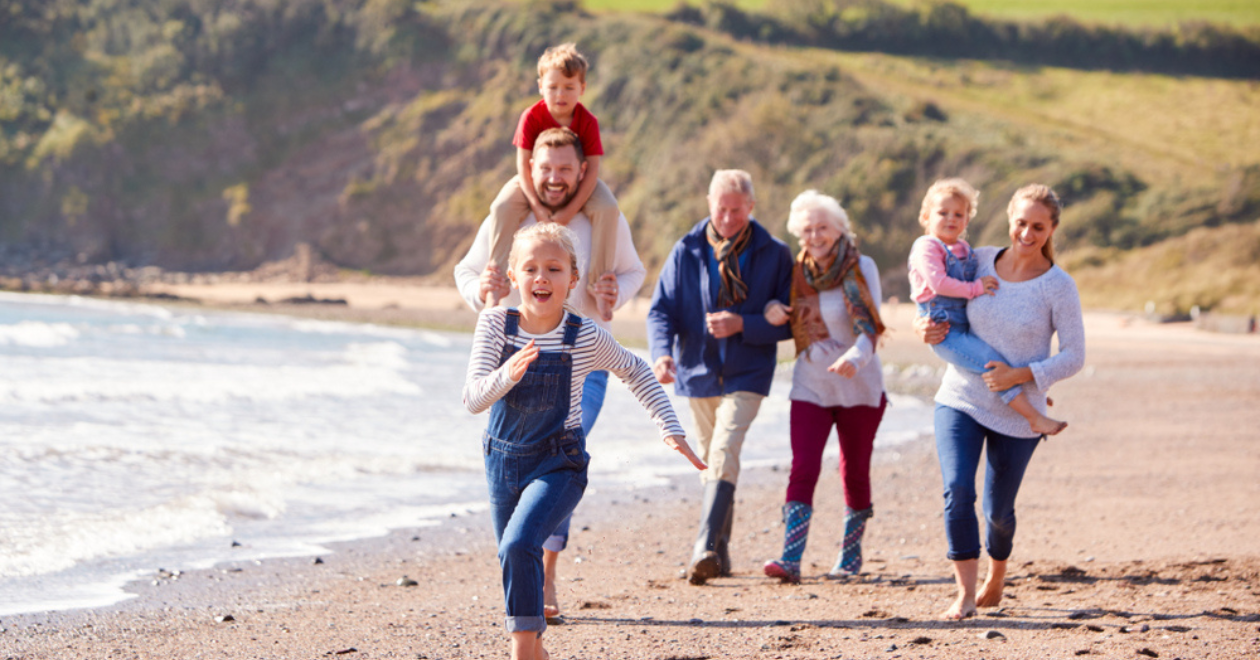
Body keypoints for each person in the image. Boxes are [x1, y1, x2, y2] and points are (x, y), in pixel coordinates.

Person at [463, 222, 706, 660]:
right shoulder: (496, 325)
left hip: (560, 464)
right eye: (531, 268)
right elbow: (473, 399)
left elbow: (635, 369)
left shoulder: (584, 334)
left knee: (520, 544)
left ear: (572, 280)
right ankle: (534, 648)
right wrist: (508, 373)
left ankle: (519, 652)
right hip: (502, 463)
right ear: (514, 276)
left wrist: (670, 429)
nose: (542, 278)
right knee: (514, 557)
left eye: (554, 269)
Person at [454, 126, 647, 620]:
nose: (555, 178)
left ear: (582, 171)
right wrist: (484, 291)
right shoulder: (512, 214)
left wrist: (613, 294)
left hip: (584, 360)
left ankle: (547, 573)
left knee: (559, 453)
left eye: (565, 169)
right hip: (518, 364)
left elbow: (632, 271)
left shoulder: (600, 218)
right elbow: (469, 270)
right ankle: (526, 571)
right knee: (525, 464)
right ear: (530, 169)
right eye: (546, 169)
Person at [913, 184, 1086, 620]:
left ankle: (997, 572)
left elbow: (1074, 355)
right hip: (960, 399)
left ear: (1051, 230)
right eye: (1021, 222)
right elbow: (940, 300)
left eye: (1038, 226)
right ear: (1009, 219)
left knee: (998, 513)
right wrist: (924, 328)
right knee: (956, 491)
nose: (1027, 233)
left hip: (1018, 413)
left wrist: (1024, 375)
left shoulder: (1058, 286)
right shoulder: (979, 259)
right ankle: (965, 596)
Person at [646, 169, 794, 585]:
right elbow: (661, 310)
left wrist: (744, 324)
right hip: (697, 370)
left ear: (751, 207)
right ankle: (722, 551)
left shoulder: (775, 253)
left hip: (749, 371)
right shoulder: (687, 248)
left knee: (725, 449)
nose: (727, 218)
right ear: (709, 204)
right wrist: (660, 355)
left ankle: (703, 546)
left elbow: (790, 322)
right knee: (712, 459)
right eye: (721, 209)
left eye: (736, 210)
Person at [759, 190, 888, 584]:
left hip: (858, 385)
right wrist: (771, 311)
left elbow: (871, 326)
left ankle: (849, 557)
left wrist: (855, 357)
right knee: (804, 466)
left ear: (839, 229)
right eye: (808, 229)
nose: (815, 235)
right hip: (811, 384)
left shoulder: (861, 266)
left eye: (823, 227)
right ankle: (791, 558)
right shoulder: (796, 269)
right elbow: (775, 306)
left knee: (854, 472)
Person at [909, 178, 1067, 436]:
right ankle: (1032, 415)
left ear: (967, 221)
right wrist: (920, 325)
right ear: (925, 216)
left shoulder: (969, 252)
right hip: (946, 330)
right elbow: (937, 284)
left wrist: (1035, 388)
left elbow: (1074, 355)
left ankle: (1030, 404)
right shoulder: (927, 247)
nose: (951, 219)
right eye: (942, 213)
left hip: (960, 327)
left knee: (991, 361)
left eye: (958, 214)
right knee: (990, 363)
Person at [486, 42, 621, 321]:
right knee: (501, 207)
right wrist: (537, 208)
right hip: (531, 181)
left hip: (579, 181)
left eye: (569, 88)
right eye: (553, 87)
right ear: (540, 86)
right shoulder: (531, 116)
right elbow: (523, 166)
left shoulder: (587, 121)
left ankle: (599, 286)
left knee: (608, 208)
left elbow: (593, 169)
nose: (560, 94)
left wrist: (567, 213)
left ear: (582, 89)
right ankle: (495, 284)